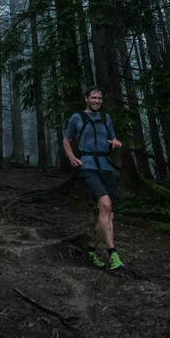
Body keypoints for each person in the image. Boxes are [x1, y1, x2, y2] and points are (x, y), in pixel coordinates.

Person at [62, 86, 125, 270]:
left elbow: (112, 139)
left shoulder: (106, 118)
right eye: (94, 98)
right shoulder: (77, 118)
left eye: (99, 98)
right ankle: (113, 254)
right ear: (86, 99)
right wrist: (72, 158)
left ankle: (90, 249)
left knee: (109, 216)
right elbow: (67, 140)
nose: (97, 101)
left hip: (106, 167)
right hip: (88, 166)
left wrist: (116, 143)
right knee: (105, 205)